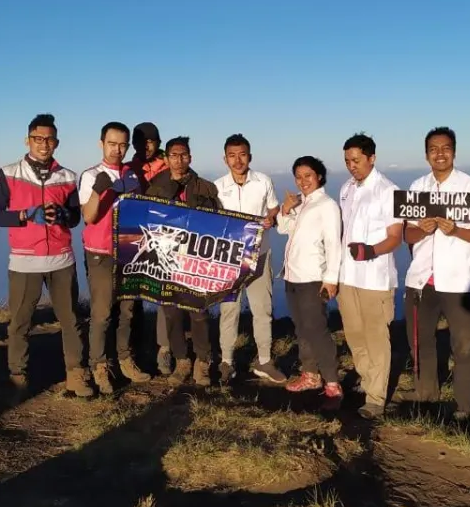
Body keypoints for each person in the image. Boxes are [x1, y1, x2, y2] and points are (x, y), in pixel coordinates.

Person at [0, 114, 88, 400]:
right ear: (27, 140)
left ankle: (76, 373)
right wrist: (24, 215)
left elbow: (74, 218)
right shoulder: (9, 173)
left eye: (49, 139)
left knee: (70, 319)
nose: (44, 144)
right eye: (38, 139)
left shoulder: (67, 175)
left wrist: (63, 214)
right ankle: (17, 376)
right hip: (23, 261)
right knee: (20, 322)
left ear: (56, 142)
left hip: (61, 259)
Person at [402, 127, 470, 419]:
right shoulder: (417, 187)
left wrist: (458, 231)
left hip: (459, 281)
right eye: (433, 149)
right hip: (420, 279)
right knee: (420, 341)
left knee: (464, 345)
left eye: (445, 148)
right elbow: (407, 235)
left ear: (454, 150)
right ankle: (426, 394)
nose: (440, 154)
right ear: (426, 154)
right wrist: (419, 229)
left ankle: (465, 407)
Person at [79, 121, 154, 395]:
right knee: (101, 313)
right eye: (112, 144)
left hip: (129, 251)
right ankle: (98, 365)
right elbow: (88, 216)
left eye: (122, 144)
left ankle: (124, 359)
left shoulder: (132, 176)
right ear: (102, 144)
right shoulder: (91, 175)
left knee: (127, 310)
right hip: (100, 253)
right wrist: (100, 190)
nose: (117, 149)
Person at [144, 136, 222, 386]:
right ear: (166, 158)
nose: (179, 160)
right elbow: (146, 221)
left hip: (196, 261)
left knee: (199, 314)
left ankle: (202, 361)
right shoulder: (155, 186)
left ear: (191, 157)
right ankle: (181, 360)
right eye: (174, 155)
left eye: (184, 155)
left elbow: (220, 223)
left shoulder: (206, 187)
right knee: (171, 314)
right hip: (167, 261)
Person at [337, 133, 403, 419]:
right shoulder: (346, 189)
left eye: (357, 160)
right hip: (347, 276)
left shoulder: (389, 191)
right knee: (355, 336)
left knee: (377, 338)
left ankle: (376, 397)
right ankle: (367, 383)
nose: (352, 165)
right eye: (348, 161)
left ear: (372, 158)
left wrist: (370, 250)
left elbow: (396, 237)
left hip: (375, 279)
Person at [213, 134, 285, 385]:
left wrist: (270, 217)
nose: (237, 160)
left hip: (259, 255)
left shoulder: (263, 181)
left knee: (262, 309)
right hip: (229, 259)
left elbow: (274, 208)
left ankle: (264, 360)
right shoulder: (217, 187)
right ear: (225, 159)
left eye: (242, 154)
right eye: (232, 155)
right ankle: (227, 362)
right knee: (228, 310)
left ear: (249, 156)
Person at [278, 156, 344, 402]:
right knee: (302, 329)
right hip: (293, 276)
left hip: (312, 278)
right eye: (298, 176)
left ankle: (332, 381)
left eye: (308, 175)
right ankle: (310, 375)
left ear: (319, 176)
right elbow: (283, 229)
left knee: (317, 330)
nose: (303, 181)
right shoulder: (302, 203)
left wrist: (331, 279)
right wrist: (286, 209)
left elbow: (333, 244)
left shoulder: (327, 205)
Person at [127, 121, 172, 374]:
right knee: (132, 295)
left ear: (158, 142)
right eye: (140, 141)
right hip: (134, 238)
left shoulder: (171, 164)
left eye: (151, 141)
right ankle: (135, 348)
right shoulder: (128, 167)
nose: (146, 146)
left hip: (166, 240)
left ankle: (164, 349)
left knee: (166, 295)